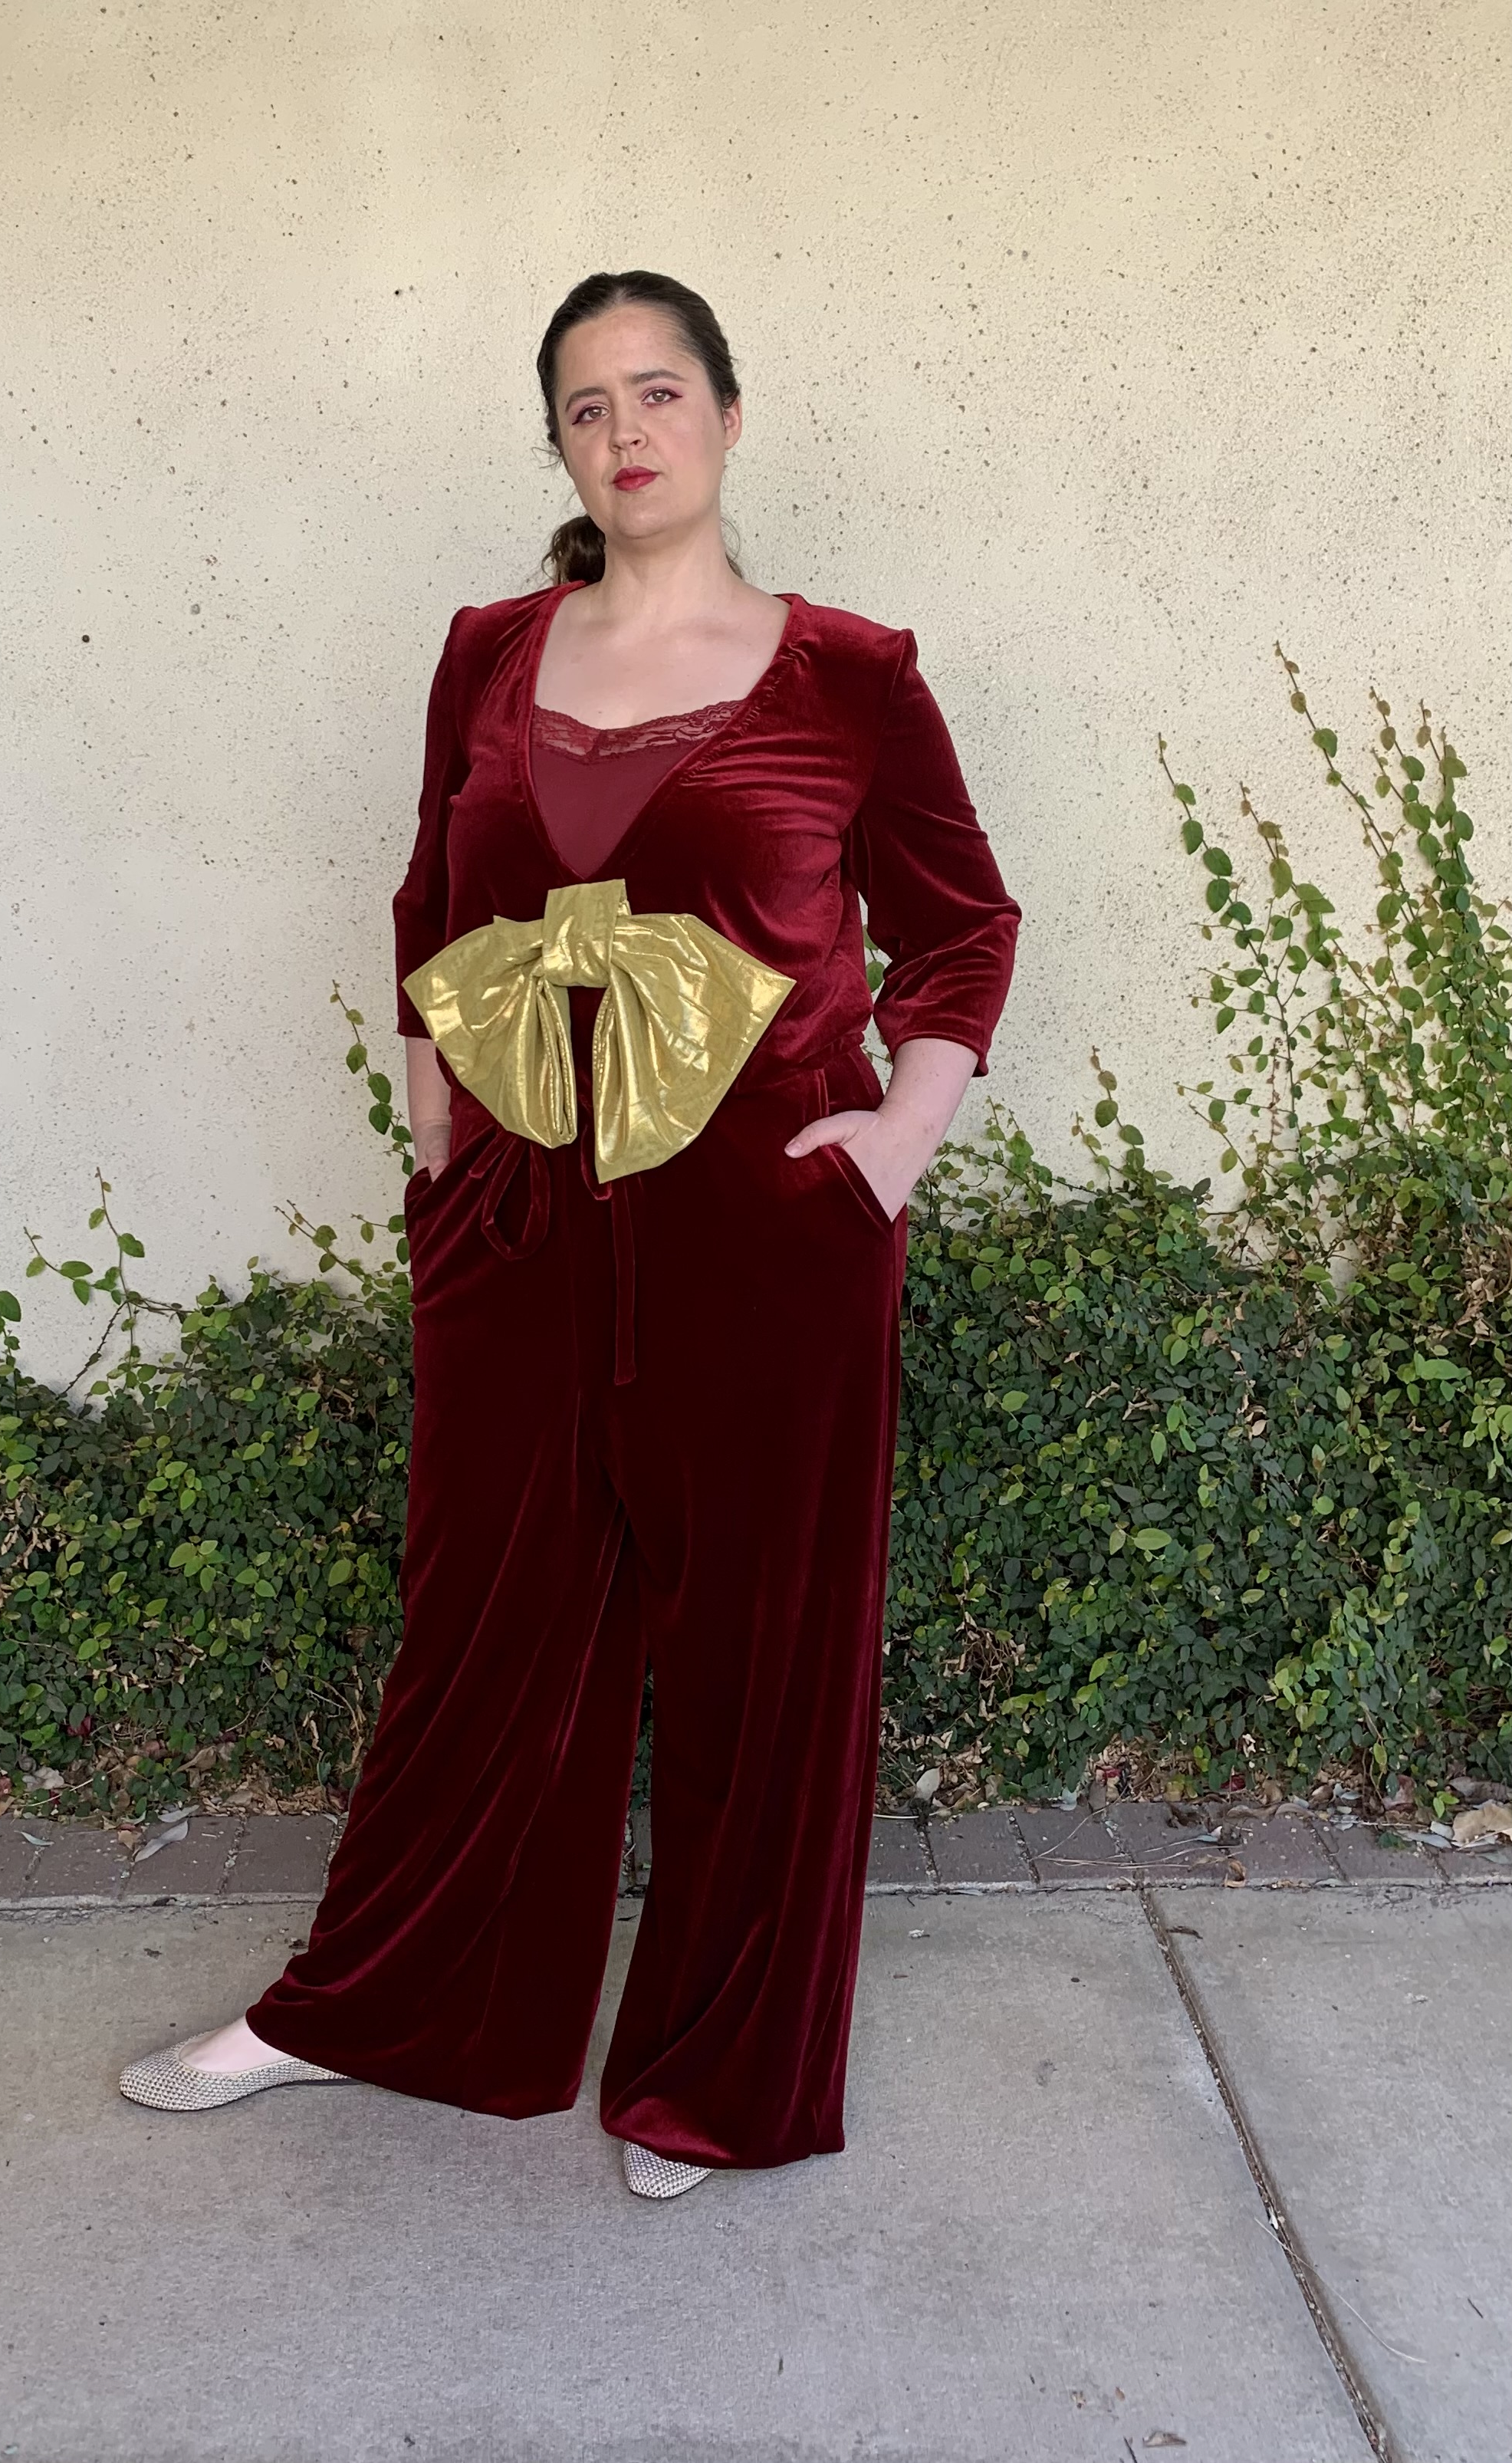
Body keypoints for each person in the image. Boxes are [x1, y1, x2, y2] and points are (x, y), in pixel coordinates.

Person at [120, 270, 1021, 2200]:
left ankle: (713, 2067)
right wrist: (434, 1116)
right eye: (588, 405)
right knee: (481, 1621)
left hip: (767, 1222)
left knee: (757, 1650)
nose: (627, 431)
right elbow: (429, 894)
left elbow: (963, 925)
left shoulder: (851, 677)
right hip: (519, 1212)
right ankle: (374, 2003)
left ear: (727, 417)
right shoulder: (485, 653)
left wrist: (897, 1139)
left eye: (660, 392)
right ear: (557, 443)